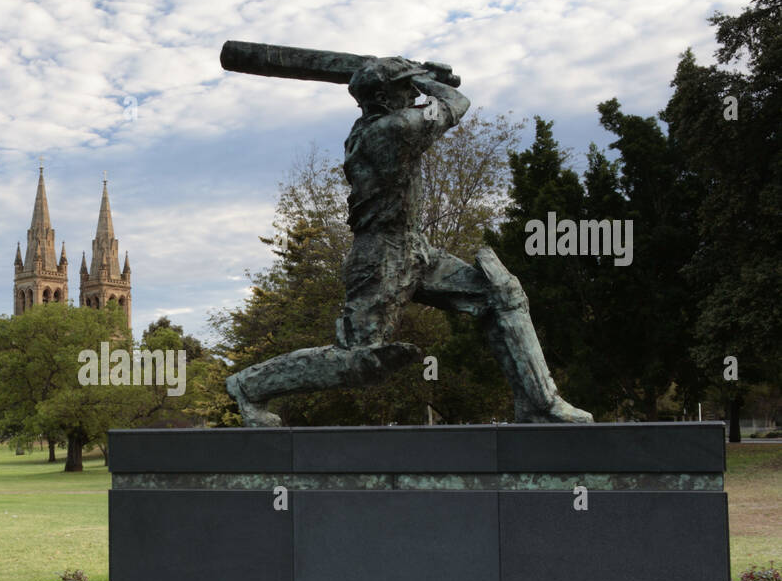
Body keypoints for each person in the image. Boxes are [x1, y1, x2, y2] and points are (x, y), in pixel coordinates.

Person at [227, 56, 591, 426]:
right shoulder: (391, 129)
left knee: (502, 294)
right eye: (405, 87)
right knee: (357, 361)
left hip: (414, 249)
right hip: (381, 255)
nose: (411, 93)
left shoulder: (377, 123)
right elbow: (455, 105)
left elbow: (437, 105)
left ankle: (539, 404)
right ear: (384, 98)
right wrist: (430, 79)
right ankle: (250, 386)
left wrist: (418, 76)